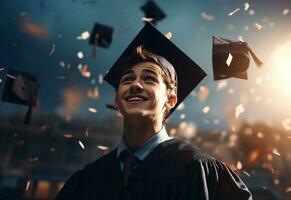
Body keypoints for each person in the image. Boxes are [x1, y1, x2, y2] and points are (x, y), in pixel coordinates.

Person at [55, 23, 252, 200]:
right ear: (117, 99)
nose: (136, 85)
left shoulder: (197, 169)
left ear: (171, 99)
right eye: (127, 79)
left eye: (149, 79)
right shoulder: (88, 180)